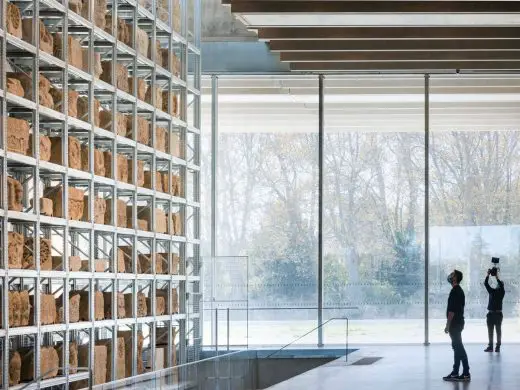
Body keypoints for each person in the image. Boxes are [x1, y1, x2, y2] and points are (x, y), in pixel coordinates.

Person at [443, 269, 471, 382]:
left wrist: (447, 325)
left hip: (455, 324)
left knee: (459, 348)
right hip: (458, 323)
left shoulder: (455, 292)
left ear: (455, 278)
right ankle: (455, 372)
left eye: (453, 275)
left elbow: (452, 311)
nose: (450, 276)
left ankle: (466, 373)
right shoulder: (459, 290)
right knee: (456, 347)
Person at [484, 269, 505, 352]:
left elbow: (500, 285)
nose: (498, 285)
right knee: (491, 331)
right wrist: (488, 275)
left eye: (500, 284)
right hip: (492, 314)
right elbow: (486, 284)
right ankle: (491, 347)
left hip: (497, 314)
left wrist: (496, 276)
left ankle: (497, 347)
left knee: (497, 331)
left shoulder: (501, 292)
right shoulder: (492, 291)